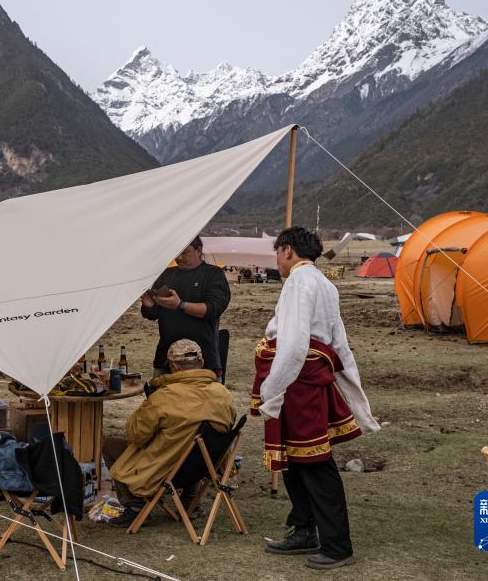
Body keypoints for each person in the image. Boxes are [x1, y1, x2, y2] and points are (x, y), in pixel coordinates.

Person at [253, 227, 379, 571]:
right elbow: (339, 344)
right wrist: (355, 392)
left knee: (314, 462)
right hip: (300, 379)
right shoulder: (324, 283)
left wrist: (272, 390)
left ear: (288, 250)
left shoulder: (299, 281)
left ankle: (337, 545)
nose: (277, 261)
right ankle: (305, 528)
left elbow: (294, 342)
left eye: (277, 253)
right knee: (294, 461)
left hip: (298, 383)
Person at [102, 341, 236, 528]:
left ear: (174, 366)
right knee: (196, 444)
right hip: (205, 468)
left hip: (166, 469)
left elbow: (136, 436)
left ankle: (135, 506)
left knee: (109, 445)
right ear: (202, 362)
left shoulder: (163, 397)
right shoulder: (223, 394)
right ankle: (190, 500)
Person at [140, 236, 231, 379]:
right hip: (166, 359)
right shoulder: (167, 275)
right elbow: (153, 314)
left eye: (185, 252)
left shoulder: (213, 274)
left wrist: (180, 305)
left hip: (203, 361)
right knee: (162, 394)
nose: (179, 257)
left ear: (198, 250)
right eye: (177, 253)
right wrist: (149, 306)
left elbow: (213, 309)